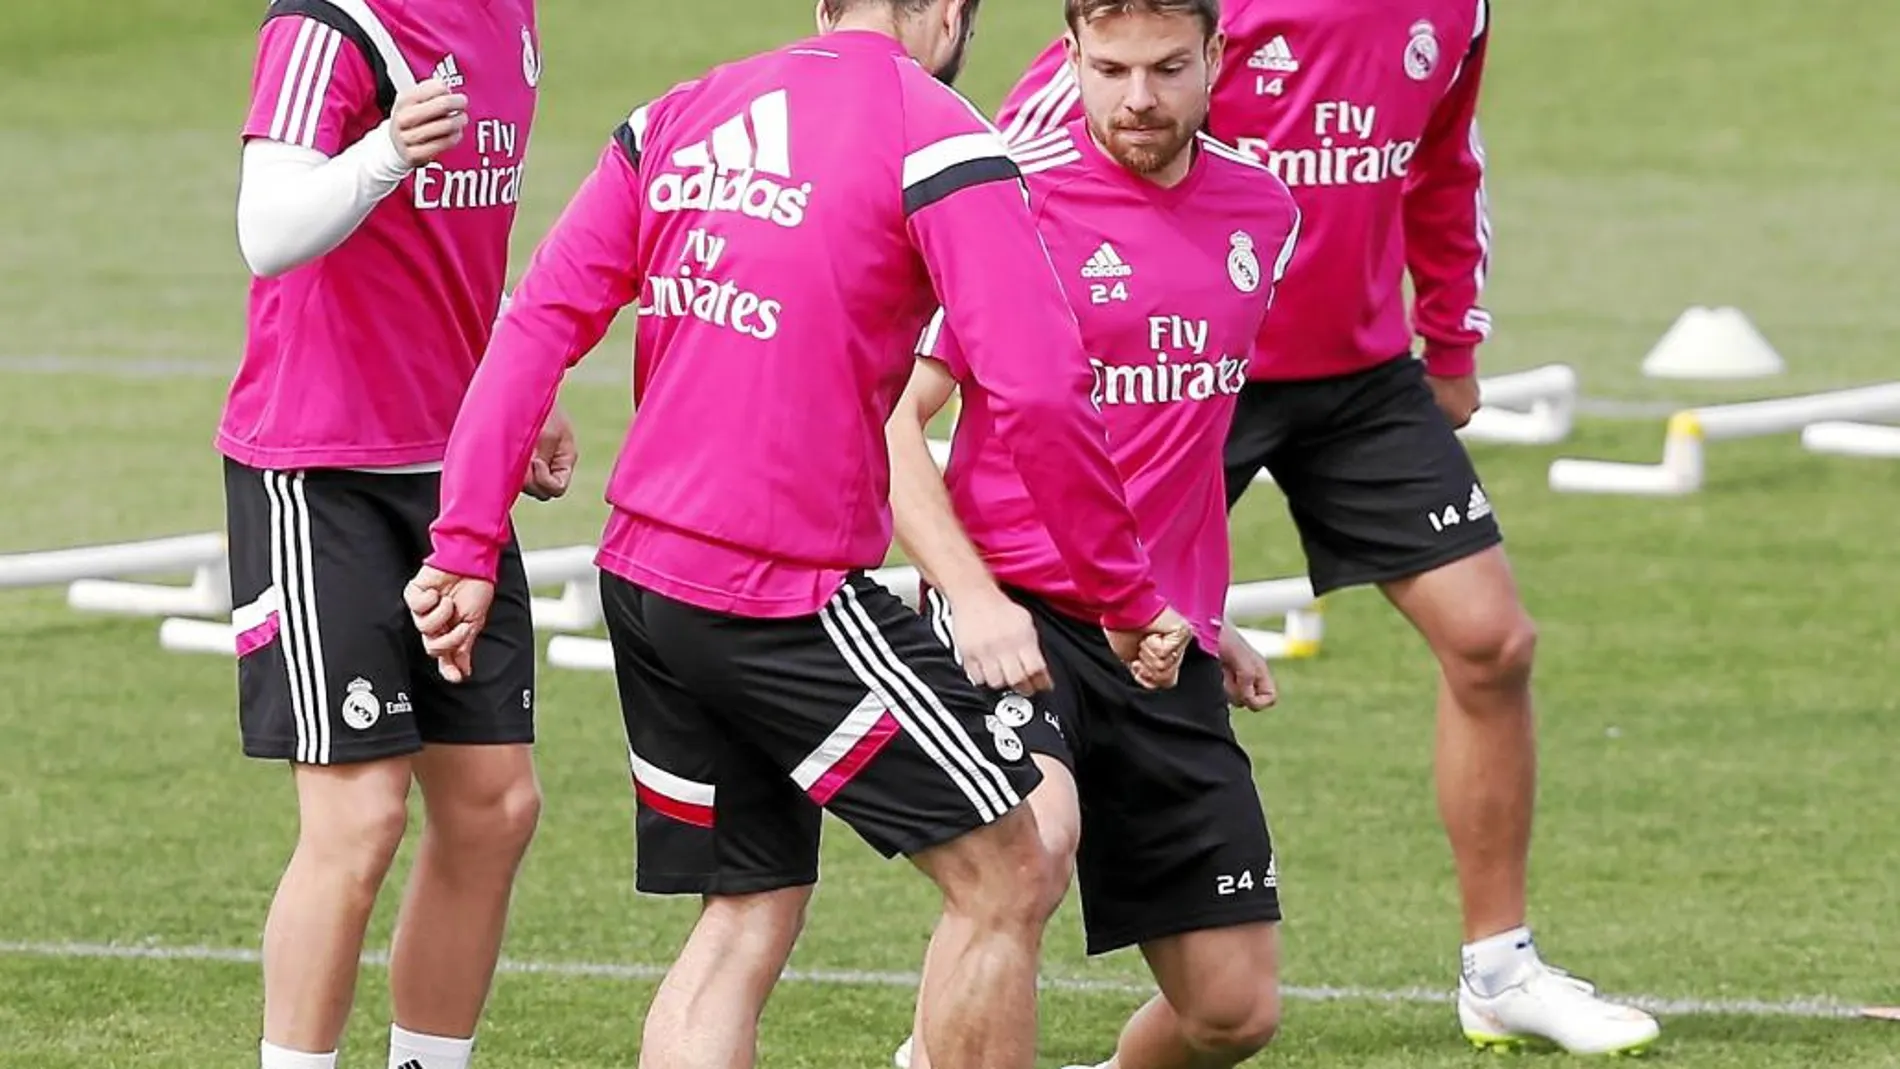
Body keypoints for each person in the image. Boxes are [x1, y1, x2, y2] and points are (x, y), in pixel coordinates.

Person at [402, 2, 1198, 1066]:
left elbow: (539, 319)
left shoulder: (675, 115)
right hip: (774, 595)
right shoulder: (943, 136)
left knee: (747, 906)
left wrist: (463, 542)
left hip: (642, 581)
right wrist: (1121, 594)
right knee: (1010, 867)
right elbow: (1038, 392)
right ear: (950, 13)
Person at [990, 0, 1661, 1057]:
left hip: (1355, 373)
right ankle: (969, 1005)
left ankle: (1500, 969)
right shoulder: (1183, 18)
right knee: (1063, 676)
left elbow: (1442, 154)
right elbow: (1018, 166)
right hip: (1181, 363)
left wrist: (1448, 334)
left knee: (1493, 640)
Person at [882, 4, 1300, 1068]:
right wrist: (969, 598)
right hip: (1013, 619)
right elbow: (888, 421)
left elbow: (1179, 435)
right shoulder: (1004, 199)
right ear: (1069, 58)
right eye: (1108, 68)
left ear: (1216, 58)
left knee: (1231, 1012)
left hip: (1156, 634)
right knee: (1028, 851)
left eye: (1167, 68)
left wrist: (1205, 610)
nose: (1138, 100)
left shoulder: (1264, 212)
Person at [220, 2, 565, 1069]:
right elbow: (266, 231)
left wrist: (518, 373)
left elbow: (458, 232)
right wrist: (382, 150)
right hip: (318, 470)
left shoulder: (509, 18)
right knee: (360, 819)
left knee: (495, 806)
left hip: (454, 467)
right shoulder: (331, 24)